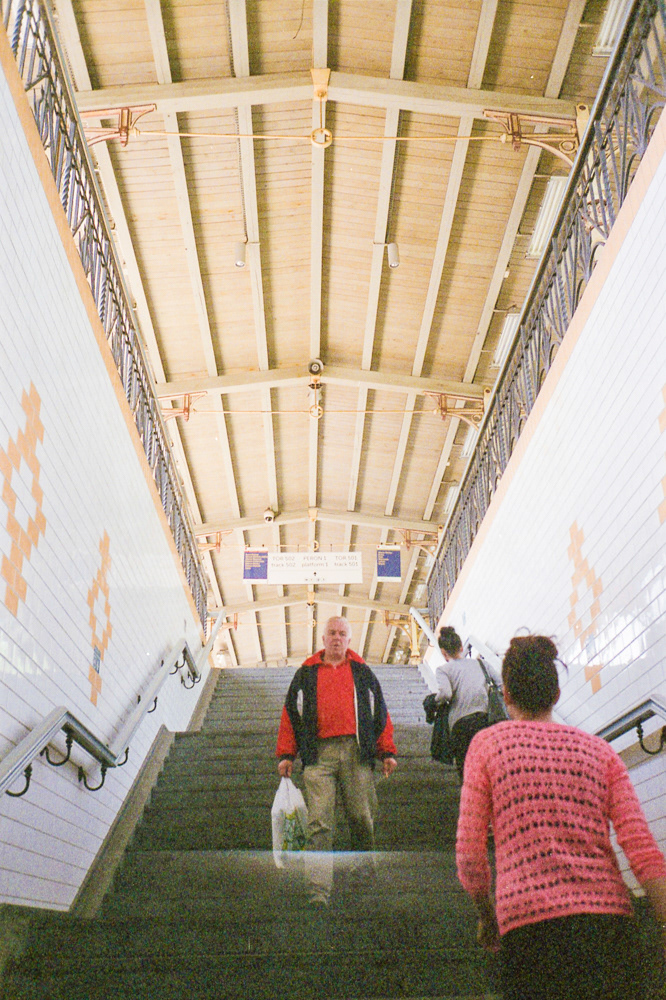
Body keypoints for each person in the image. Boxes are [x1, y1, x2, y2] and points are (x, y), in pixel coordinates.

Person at [456, 634, 666, 1000]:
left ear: (506, 694)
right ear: (555, 694)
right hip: (609, 930)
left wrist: (488, 917)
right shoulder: (600, 752)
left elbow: (470, 855)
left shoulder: (488, 745)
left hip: (528, 930)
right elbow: (642, 850)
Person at [276, 616, 397, 906]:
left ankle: (363, 874)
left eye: (342, 634)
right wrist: (287, 754)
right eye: (331, 633)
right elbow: (291, 714)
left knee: (361, 817)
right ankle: (318, 890)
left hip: (357, 753)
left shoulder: (362, 672)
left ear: (349, 640)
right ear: (323, 639)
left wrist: (386, 751)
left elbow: (380, 712)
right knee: (319, 823)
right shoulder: (306, 673)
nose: (336, 638)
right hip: (318, 756)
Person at [435, 625, 501, 778]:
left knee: (467, 770)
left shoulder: (444, 670)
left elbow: (445, 693)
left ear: (443, 652)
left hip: (460, 726)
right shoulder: (481, 664)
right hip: (485, 720)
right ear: (460, 647)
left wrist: (435, 700)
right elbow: (501, 684)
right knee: (488, 766)